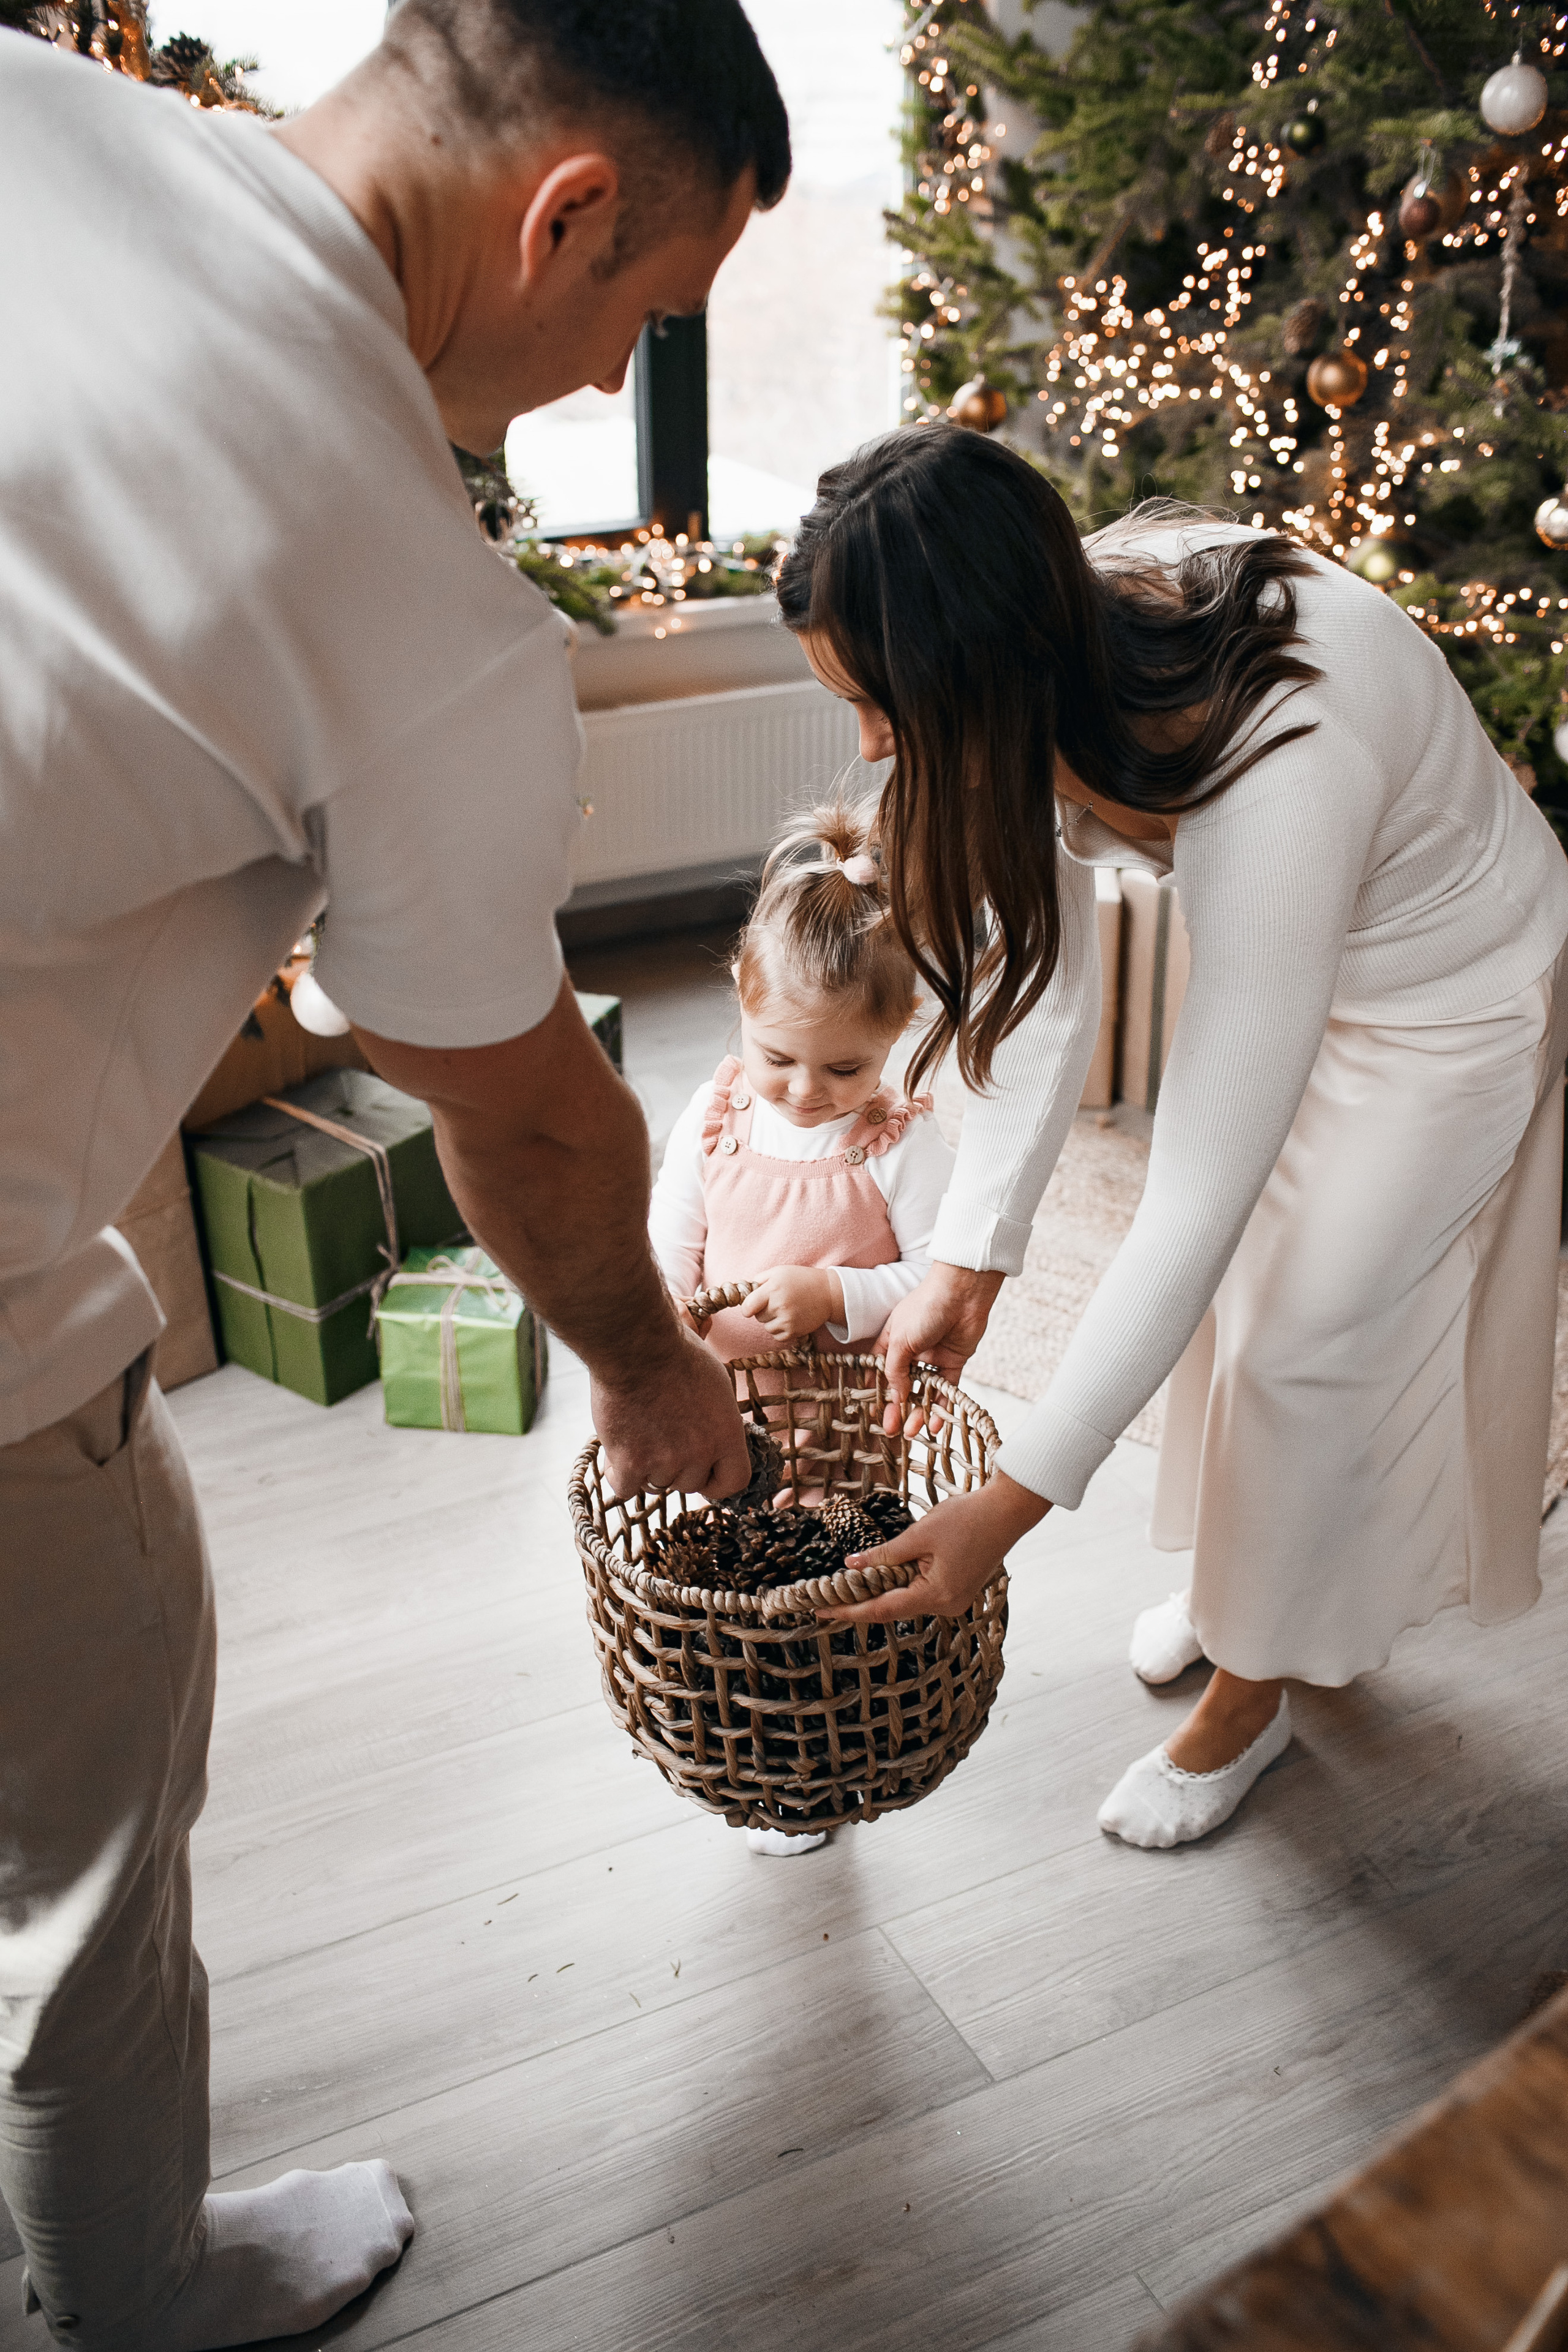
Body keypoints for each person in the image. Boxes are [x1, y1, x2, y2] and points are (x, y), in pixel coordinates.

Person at [0, 4, 786, 2344]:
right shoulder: (418, 614)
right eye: (638, 320)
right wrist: (650, 1377)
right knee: (88, 1851)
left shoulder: (37, 109)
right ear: (560, 211)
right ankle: (134, 2291)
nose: (591, 380)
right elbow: (526, 1103)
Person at [775, 424, 1568, 1853]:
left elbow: (1189, 1195)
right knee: (1241, 1330)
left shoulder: (1280, 754)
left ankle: (1255, 1693)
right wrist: (970, 1260)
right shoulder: (1050, 651)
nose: (874, 750)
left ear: (971, 670)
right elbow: (1042, 986)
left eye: (881, 707)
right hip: (1312, 956)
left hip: (1450, 994)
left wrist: (1004, 1512)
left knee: (1309, 1337)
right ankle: (1238, 1595)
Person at [648, 804, 956, 1853]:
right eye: (781, 1056)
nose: (807, 1092)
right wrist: (667, 1345)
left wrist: (835, 1297)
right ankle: (744, 1739)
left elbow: (933, 1281)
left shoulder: (896, 1140)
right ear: (741, 997)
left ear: (897, 1034)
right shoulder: (718, 1115)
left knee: (818, 1588)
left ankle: (812, 1758)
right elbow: (668, 1248)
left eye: (845, 1069)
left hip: (842, 1426)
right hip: (723, 1410)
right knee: (727, 1576)